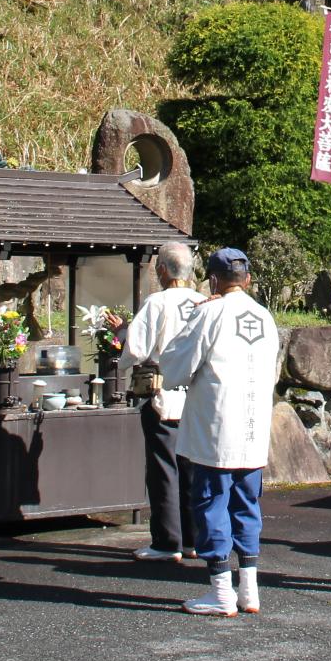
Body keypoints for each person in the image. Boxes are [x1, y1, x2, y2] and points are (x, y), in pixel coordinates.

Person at [158, 247, 281, 618]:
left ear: (212, 280)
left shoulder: (208, 313)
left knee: (212, 504)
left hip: (216, 428)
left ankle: (221, 592)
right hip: (254, 429)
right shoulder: (265, 316)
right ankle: (250, 589)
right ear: (247, 279)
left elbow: (174, 366)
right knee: (247, 505)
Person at [114, 242, 206, 564]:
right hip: (197, 398)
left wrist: (122, 348)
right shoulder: (204, 302)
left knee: (164, 470)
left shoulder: (157, 302)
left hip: (163, 395)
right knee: (192, 470)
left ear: (163, 270)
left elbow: (137, 350)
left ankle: (168, 542)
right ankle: (194, 539)